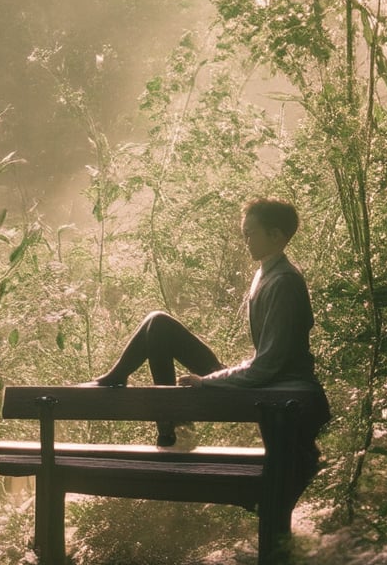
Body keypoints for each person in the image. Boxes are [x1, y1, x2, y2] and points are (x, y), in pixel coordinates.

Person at [82, 199, 329, 473]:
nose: (245, 240)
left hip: (274, 387)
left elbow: (267, 366)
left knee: (160, 326)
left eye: (251, 233)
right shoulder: (267, 273)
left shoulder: (284, 282)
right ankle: (152, 410)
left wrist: (207, 381)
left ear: (276, 235)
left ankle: (168, 424)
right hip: (260, 382)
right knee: (158, 323)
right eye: (243, 233)